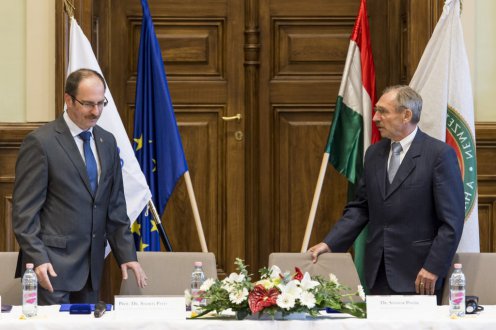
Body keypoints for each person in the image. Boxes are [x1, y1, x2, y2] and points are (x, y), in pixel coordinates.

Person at [309, 85, 464, 302]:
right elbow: (361, 207)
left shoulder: (438, 155)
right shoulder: (374, 154)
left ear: (406, 115)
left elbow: (452, 222)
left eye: (383, 111)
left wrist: (433, 267)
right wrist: (331, 243)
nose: (375, 118)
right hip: (378, 272)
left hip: (420, 275)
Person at [12, 68, 147, 305]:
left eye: (100, 103)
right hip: (50, 269)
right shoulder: (41, 143)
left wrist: (127, 255)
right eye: (87, 104)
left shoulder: (107, 142)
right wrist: (38, 259)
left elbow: (114, 207)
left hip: (91, 270)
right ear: (68, 100)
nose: (96, 112)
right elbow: (24, 214)